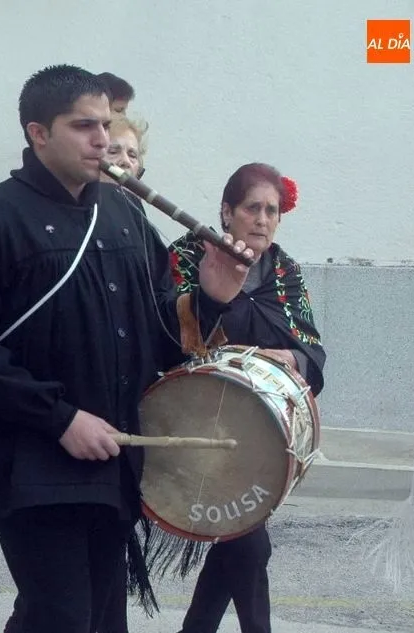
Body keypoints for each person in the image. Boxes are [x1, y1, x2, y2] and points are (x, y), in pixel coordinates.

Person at [0, 64, 253, 633]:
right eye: (83, 126)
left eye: (105, 124)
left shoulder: (125, 213)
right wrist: (60, 418)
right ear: (38, 133)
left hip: (115, 452)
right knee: (63, 615)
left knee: (98, 617)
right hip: (30, 457)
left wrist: (210, 299)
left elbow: (159, 336)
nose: (102, 139)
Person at [167, 163, 326, 633]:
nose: (262, 219)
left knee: (240, 539)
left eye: (271, 211)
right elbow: (168, 332)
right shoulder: (187, 257)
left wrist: (289, 358)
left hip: (261, 431)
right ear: (226, 212)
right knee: (249, 543)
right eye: (252, 208)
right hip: (193, 422)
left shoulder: (285, 270)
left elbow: (311, 346)